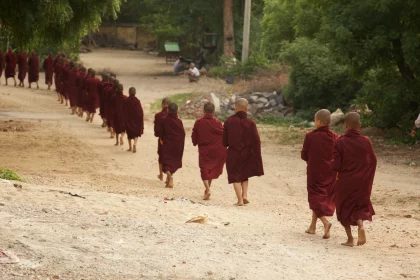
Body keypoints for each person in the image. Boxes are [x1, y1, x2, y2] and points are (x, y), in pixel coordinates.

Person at [332, 112, 377, 247]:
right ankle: (361, 226)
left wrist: (331, 167)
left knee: (343, 206)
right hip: (362, 181)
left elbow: (336, 165)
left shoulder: (339, 142)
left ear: (345, 125)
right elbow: (373, 161)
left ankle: (350, 239)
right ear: (360, 125)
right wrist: (367, 177)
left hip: (345, 181)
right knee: (358, 205)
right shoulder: (366, 141)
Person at [301, 109, 337, 239]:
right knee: (320, 198)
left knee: (315, 198)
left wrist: (313, 160)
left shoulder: (311, 136)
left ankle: (325, 223)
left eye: (315, 120)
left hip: (315, 172)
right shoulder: (335, 137)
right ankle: (312, 226)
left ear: (319, 122)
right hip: (330, 173)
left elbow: (304, 155)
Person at [223, 98, 264, 206]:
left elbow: (224, 141)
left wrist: (228, 144)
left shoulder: (229, 121)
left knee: (234, 175)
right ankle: (245, 195)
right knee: (244, 174)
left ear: (235, 108)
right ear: (247, 109)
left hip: (233, 153)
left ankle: (240, 200)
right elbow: (256, 140)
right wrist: (255, 154)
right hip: (247, 153)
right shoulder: (251, 123)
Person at [192, 102, 227, 200]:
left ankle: (208, 189)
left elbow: (195, 134)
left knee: (204, 169)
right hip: (217, 149)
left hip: (205, 150)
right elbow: (223, 133)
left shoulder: (199, 122)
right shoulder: (217, 122)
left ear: (203, 111)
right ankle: (207, 190)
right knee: (211, 169)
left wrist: (195, 142)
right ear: (214, 111)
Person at [159, 103, 186, 188]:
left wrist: (162, 140)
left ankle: (169, 177)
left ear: (168, 110)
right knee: (173, 163)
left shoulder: (164, 120)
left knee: (166, 163)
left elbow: (161, 133)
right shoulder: (179, 121)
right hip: (177, 145)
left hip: (167, 144)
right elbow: (182, 134)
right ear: (177, 111)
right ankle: (169, 178)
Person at [154, 97, 171, 181]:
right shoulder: (174, 115)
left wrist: (158, 135)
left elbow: (156, 132)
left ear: (162, 105)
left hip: (162, 140)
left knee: (161, 157)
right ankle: (169, 175)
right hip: (172, 141)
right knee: (170, 158)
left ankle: (161, 175)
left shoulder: (158, 115)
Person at [124, 87, 144, 153]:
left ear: (129, 92)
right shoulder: (137, 101)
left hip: (129, 120)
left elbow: (124, 110)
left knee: (129, 134)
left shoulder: (126, 101)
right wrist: (140, 119)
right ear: (135, 92)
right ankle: (135, 144)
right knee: (136, 133)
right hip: (136, 120)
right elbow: (140, 112)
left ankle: (130, 147)